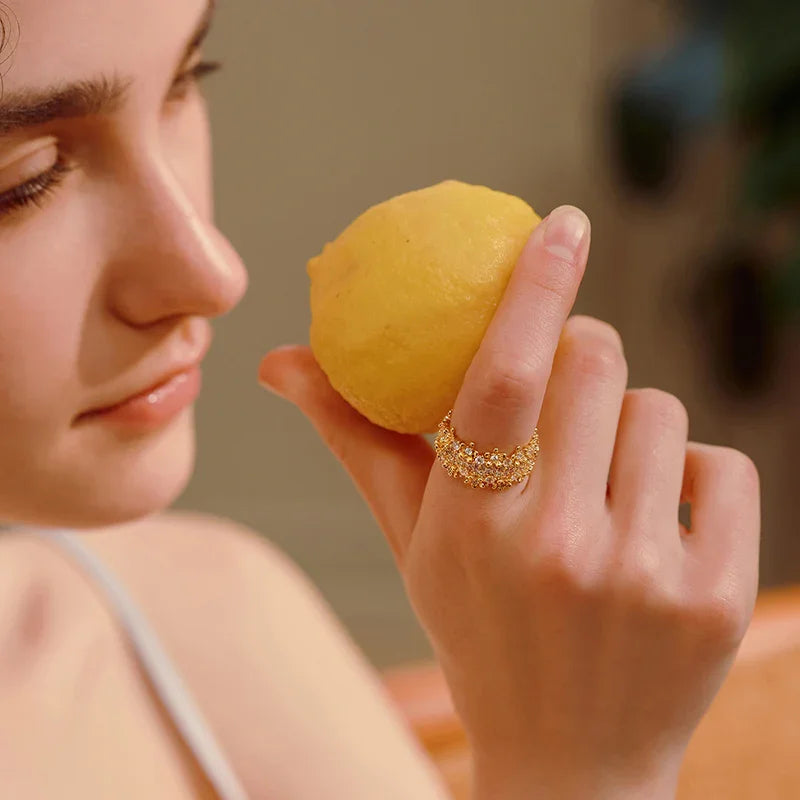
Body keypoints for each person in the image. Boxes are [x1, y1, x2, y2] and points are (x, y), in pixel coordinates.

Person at [0, 0, 760, 798]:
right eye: (24, 180)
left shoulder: (210, 617)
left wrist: (577, 750)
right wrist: (579, 770)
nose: (214, 276)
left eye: (185, 81)